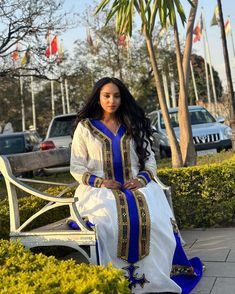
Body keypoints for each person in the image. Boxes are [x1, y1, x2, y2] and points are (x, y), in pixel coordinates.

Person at [70, 77, 203, 293]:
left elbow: (149, 160)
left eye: (116, 95)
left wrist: (141, 179)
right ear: (98, 97)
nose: (112, 100)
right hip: (98, 191)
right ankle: (112, 280)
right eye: (106, 95)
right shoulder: (85, 128)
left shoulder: (133, 123)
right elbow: (76, 167)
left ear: (123, 98)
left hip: (136, 186)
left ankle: (157, 277)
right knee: (106, 224)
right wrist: (101, 182)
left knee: (157, 222)